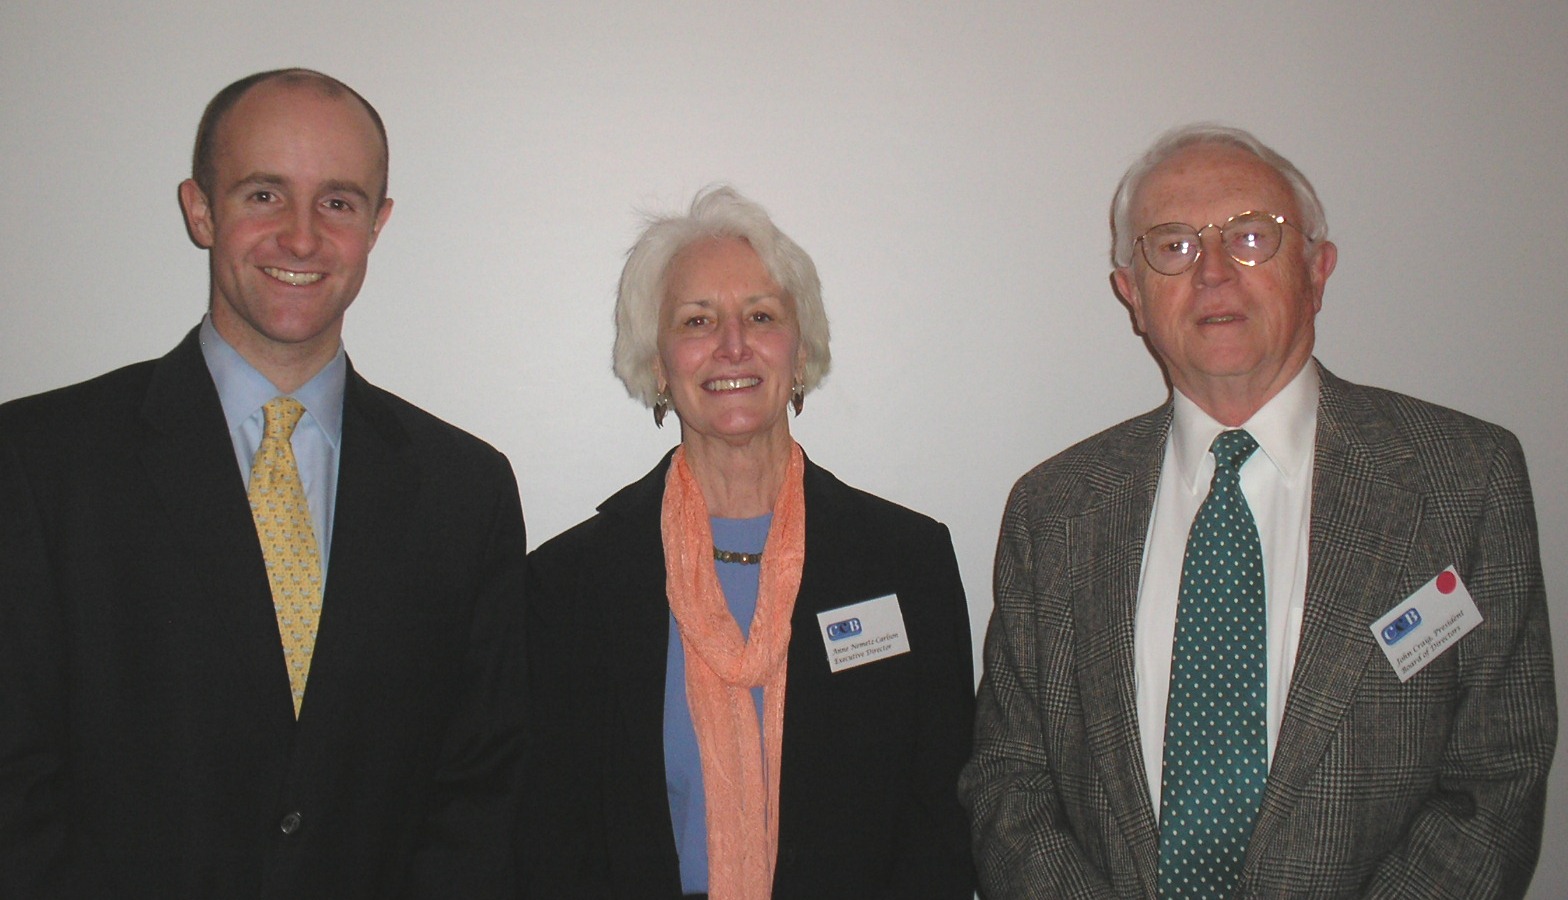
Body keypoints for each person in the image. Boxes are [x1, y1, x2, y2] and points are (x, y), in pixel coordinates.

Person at [961, 124, 1555, 899]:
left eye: (1250, 237)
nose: (1212, 271)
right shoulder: (1055, 508)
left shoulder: (1462, 480)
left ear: (1317, 271)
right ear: (1131, 294)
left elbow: (1495, 783)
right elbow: (1011, 784)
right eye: (1171, 246)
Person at [0, 69, 528, 898]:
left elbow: (479, 799)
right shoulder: (38, 465)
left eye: (339, 202)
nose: (302, 237)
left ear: (378, 224)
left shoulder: (467, 493)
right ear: (200, 209)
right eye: (263, 195)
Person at [522, 186, 975, 899]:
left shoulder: (906, 564)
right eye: (697, 320)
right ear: (659, 364)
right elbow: (549, 838)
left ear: (799, 354)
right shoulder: (568, 583)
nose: (732, 345)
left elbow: (939, 827)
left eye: (761, 316)